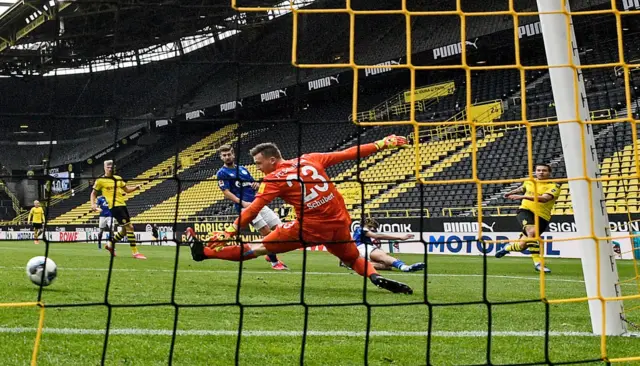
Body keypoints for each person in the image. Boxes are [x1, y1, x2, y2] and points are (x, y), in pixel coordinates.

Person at [186, 135, 414, 294]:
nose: (258, 168)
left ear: (272, 160)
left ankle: (204, 254)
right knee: (352, 258)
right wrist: (381, 144)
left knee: (257, 248)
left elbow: (254, 208)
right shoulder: (311, 159)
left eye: (259, 163)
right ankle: (375, 277)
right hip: (339, 227)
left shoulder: (273, 178)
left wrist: (230, 230)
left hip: (307, 229)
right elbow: (347, 153)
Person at [216, 144, 288, 270]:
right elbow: (226, 192)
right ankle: (274, 262)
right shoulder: (222, 173)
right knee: (266, 232)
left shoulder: (243, 169)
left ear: (233, 154)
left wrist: (255, 185)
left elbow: (252, 183)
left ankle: (268, 254)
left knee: (280, 229)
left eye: (229, 154)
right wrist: (242, 202)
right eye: (224, 155)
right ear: (221, 157)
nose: (227, 157)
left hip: (258, 202)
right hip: (246, 208)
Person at [495, 164, 560, 273]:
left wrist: (522, 196)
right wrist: (512, 192)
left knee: (522, 245)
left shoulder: (554, 186)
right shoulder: (530, 181)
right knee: (532, 231)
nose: (541, 172)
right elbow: (523, 188)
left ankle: (507, 248)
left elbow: (544, 199)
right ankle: (538, 263)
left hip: (542, 216)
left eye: (544, 170)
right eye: (538, 170)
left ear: (549, 173)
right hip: (525, 211)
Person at [90, 160, 146, 259]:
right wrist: (93, 204)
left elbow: (127, 190)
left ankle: (109, 245)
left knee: (124, 230)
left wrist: (136, 188)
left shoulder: (118, 178)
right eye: (108, 167)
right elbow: (93, 194)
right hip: (114, 207)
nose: (110, 169)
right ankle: (135, 253)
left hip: (122, 205)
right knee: (130, 227)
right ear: (104, 168)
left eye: (111, 167)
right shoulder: (100, 181)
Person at [345, 217, 424, 272]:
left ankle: (355, 265)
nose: (372, 229)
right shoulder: (362, 229)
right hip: (363, 248)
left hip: (359, 251)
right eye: (371, 227)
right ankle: (405, 267)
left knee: (387, 266)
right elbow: (377, 236)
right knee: (384, 256)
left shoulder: (357, 230)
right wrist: (400, 237)